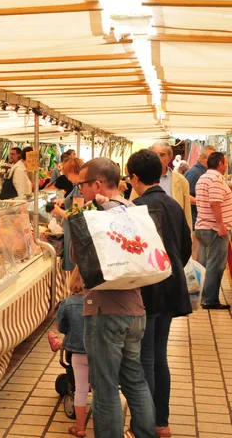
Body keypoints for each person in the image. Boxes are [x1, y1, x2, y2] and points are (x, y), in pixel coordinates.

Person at [75, 157, 155, 438]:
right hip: (135, 308)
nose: (79, 191)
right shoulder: (130, 207)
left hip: (105, 311)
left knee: (105, 384)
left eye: (82, 185)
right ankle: (146, 433)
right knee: (134, 377)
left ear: (97, 184)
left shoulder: (98, 215)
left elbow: (83, 262)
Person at [127, 149, 192, 438]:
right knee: (159, 356)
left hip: (147, 291)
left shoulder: (136, 208)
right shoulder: (174, 204)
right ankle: (161, 422)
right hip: (171, 288)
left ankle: (146, 424)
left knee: (145, 358)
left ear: (135, 177)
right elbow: (186, 247)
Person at [47, 267, 89, 438]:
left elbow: (62, 327)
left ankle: (80, 428)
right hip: (99, 351)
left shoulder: (67, 303)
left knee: (80, 389)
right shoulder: (102, 301)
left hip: (77, 352)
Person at [195, 151, 232, 309]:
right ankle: (210, 299)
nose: (227, 165)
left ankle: (202, 294)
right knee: (215, 265)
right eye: (226, 162)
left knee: (204, 264)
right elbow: (215, 203)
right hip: (214, 228)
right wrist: (221, 225)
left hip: (203, 226)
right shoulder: (216, 179)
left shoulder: (204, 177)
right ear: (220, 164)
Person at [132, 141, 192, 230]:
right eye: (154, 155)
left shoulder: (181, 180)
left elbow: (187, 211)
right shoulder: (142, 178)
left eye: (162, 155)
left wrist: (189, 234)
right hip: (149, 228)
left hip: (173, 228)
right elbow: (133, 205)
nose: (158, 159)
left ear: (170, 157)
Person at [185, 145, 217, 259]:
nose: (215, 159)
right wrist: (204, 201)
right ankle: (194, 276)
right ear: (203, 158)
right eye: (211, 157)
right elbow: (186, 196)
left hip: (202, 222)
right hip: (196, 222)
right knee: (197, 255)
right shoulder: (195, 173)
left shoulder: (205, 172)